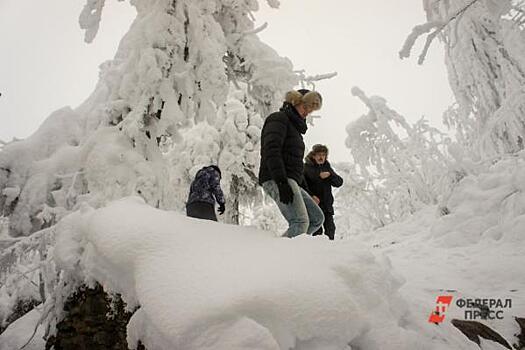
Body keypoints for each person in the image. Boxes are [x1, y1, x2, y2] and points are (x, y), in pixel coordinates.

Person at [258, 89, 325, 238]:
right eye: (305, 107)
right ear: (295, 103)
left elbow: (296, 166)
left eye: (311, 110)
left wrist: (307, 191)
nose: (307, 112)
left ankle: (292, 249)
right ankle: (282, 256)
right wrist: (281, 182)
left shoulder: (295, 131)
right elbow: (271, 149)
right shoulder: (278, 119)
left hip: (290, 179)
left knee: (316, 219)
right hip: (276, 177)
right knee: (299, 221)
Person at [303, 144, 343, 240]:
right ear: (313, 156)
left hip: (327, 205)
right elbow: (302, 186)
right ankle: (317, 252)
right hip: (313, 205)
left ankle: (331, 251)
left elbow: (339, 182)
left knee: (330, 229)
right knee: (317, 231)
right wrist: (311, 196)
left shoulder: (327, 167)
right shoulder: (306, 168)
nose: (321, 157)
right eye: (319, 154)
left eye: (323, 155)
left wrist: (330, 175)